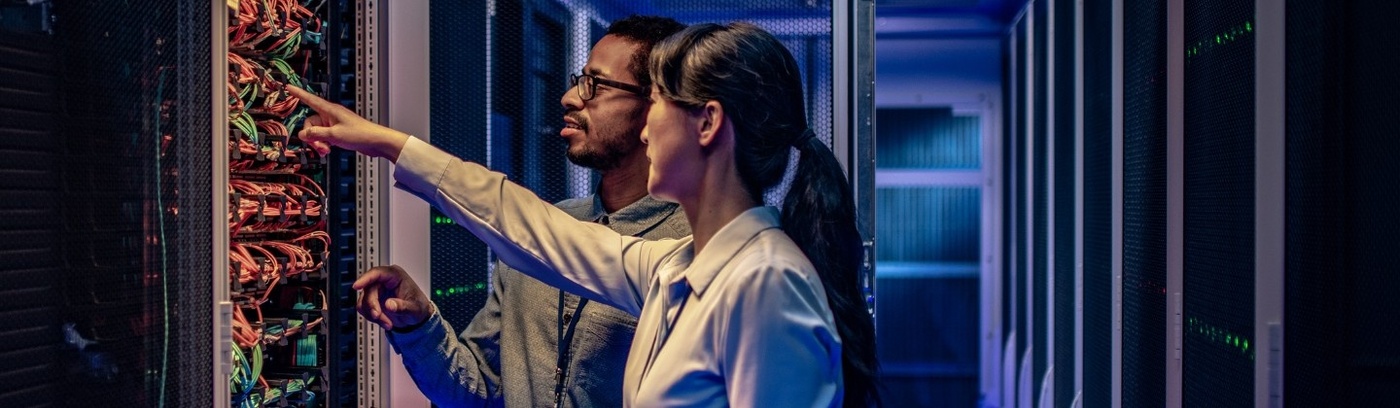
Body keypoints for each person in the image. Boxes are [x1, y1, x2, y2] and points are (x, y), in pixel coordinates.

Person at [290, 21, 879, 407]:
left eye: (662, 105)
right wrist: (392, 144)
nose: (649, 125)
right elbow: (532, 228)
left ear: (708, 122)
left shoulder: (766, 284)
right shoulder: (676, 267)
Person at [316, 16, 689, 408]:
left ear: (657, 107)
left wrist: (389, 144)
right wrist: (420, 325)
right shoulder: (543, 233)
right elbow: (477, 390)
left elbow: (503, 208)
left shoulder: (690, 251)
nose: (569, 97)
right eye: (579, 79)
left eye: (593, 84)